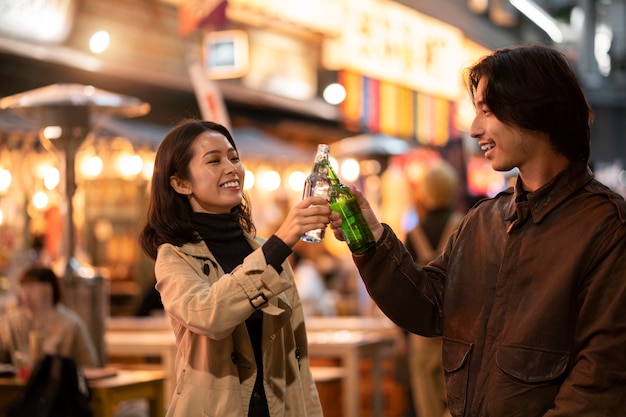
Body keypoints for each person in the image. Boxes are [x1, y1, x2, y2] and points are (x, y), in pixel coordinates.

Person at [329, 44, 626, 416]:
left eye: (487, 111)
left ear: (534, 107)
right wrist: (370, 238)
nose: (474, 129)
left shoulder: (607, 227)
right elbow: (430, 305)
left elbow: (599, 382)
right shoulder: (483, 220)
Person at [138, 119, 327, 417]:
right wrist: (280, 243)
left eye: (234, 157)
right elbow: (208, 315)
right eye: (214, 160)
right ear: (181, 183)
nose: (231, 168)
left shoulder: (266, 251)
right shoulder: (174, 257)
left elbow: (298, 359)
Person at [404, 160, 462, 417]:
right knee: (459, 402)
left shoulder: (412, 233)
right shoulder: (465, 225)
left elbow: (405, 286)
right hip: (461, 327)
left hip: (421, 330)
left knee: (426, 405)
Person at [0, 266, 100, 369]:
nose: (26, 294)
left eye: (32, 288)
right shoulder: (12, 322)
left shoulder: (70, 324)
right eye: (23, 287)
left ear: (49, 290)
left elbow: (90, 366)